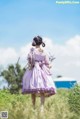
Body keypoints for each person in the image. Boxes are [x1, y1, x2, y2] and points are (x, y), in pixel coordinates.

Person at [22, 36, 56, 111]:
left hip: (33, 71)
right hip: (42, 70)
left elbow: (31, 62)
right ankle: (42, 108)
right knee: (42, 90)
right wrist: (49, 66)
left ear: (34, 42)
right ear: (41, 42)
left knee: (33, 89)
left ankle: (33, 107)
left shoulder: (32, 51)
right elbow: (47, 63)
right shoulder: (44, 51)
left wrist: (32, 65)